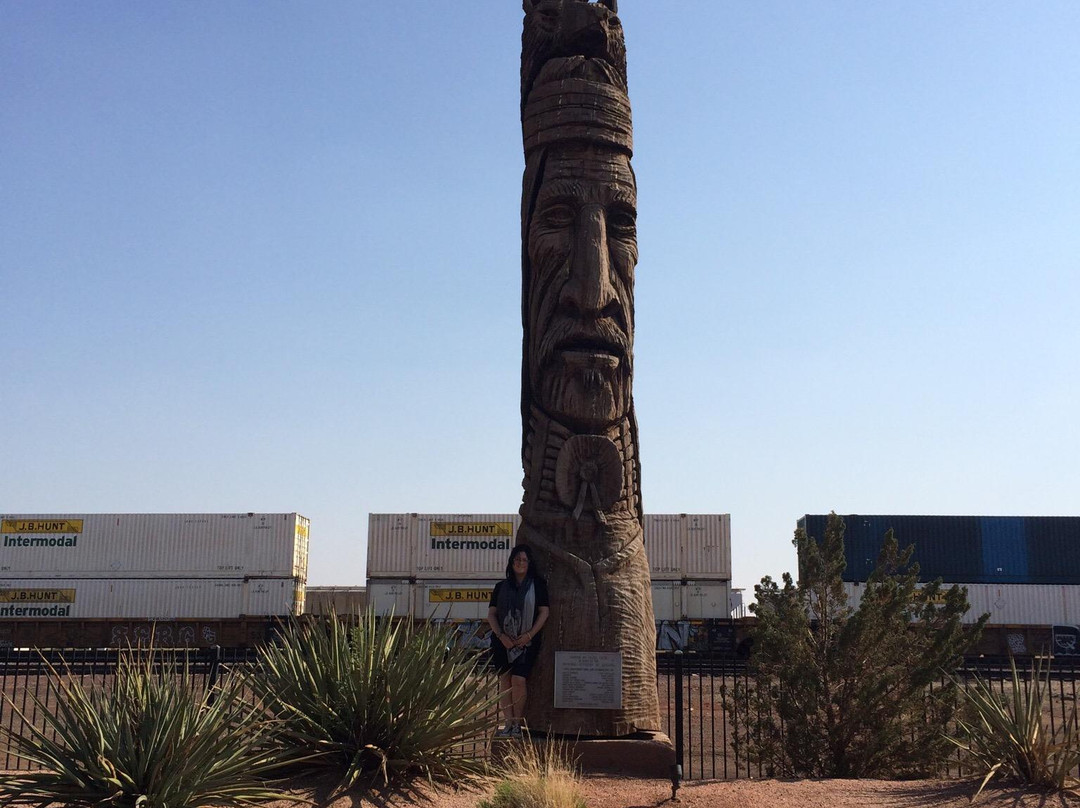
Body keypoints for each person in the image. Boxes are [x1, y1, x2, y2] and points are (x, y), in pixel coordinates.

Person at [487, 544, 549, 736]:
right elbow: (491, 614)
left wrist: (529, 635)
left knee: (518, 680)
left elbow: (544, 612)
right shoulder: (500, 587)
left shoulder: (538, 585)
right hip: (502, 642)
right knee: (504, 680)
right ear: (511, 562)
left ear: (529, 563)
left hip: (526, 642)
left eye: (524, 560)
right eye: (517, 560)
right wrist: (501, 636)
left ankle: (517, 724)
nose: (520, 563)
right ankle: (508, 722)